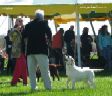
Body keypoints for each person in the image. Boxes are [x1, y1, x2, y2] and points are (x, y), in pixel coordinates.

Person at [22, 9, 52, 90]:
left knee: (31, 72)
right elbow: (49, 33)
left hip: (30, 51)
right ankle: (48, 87)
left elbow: (23, 36)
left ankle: (33, 87)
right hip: (41, 50)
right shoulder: (44, 23)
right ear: (42, 17)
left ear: (35, 17)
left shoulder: (28, 25)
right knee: (45, 71)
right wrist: (49, 42)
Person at [9, 18, 28, 86]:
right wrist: (17, 28)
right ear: (16, 22)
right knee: (23, 66)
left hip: (23, 51)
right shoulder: (13, 30)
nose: (21, 22)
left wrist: (23, 28)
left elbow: (26, 37)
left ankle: (14, 82)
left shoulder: (24, 29)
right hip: (17, 51)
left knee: (19, 68)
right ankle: (25, 82)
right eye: (19, 21)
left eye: (22, 21)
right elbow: (11, 38)